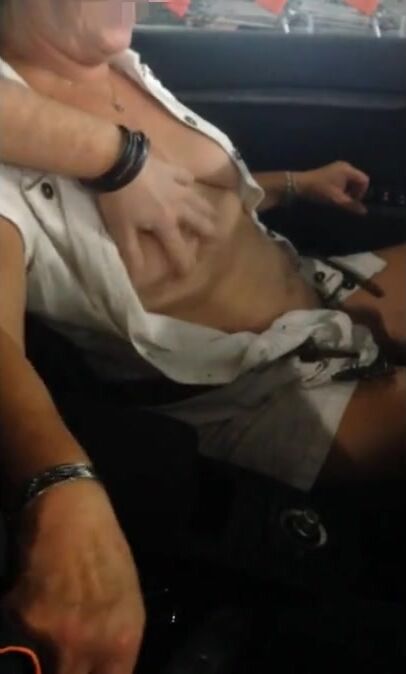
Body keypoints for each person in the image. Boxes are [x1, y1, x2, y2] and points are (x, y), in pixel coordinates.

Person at [0, 1, 405, 672]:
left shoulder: (117, 62)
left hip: (316, 288)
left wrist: (294, 185)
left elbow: (197, 196)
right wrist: (60, 483)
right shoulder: (13, 152)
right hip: (261, 391)